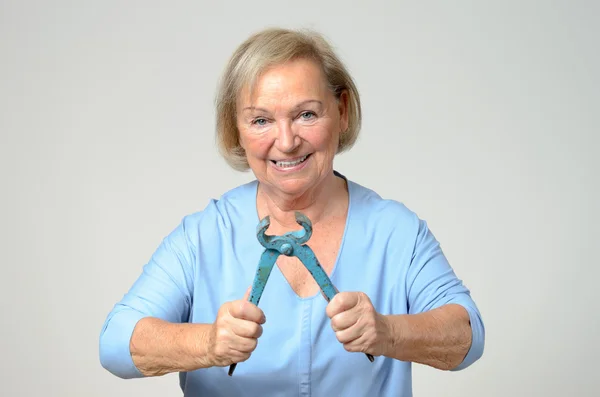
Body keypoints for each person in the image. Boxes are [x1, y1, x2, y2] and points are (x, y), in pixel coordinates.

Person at [99, 27, 485, 396]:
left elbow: (467, 336)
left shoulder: (396, 231)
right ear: (236, 130)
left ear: (342, 111)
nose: (286, 142)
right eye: (261, 120)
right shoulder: (203, 235)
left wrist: (389, 332)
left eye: (306, 115)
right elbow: (117, 342)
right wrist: (208, 343)